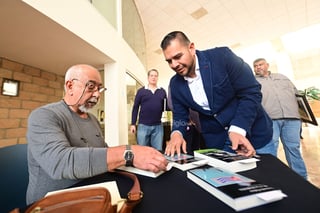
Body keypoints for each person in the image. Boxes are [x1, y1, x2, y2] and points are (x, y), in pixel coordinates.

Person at [26, 64, 168, 204]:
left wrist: (139, 159)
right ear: (70, 86)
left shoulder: (92, 119)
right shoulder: (44, 116)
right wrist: (129, 153)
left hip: (95, 194)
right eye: (91, 87)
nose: (97, 94)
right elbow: (60, 162)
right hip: (52, 204)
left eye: (99, 88)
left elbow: (104, 153)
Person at [160, 31, 275, 158]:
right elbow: (180, 116)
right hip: (219, 145)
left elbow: (251, 92)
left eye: (178, 57)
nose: (174, 64)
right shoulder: (175, 84)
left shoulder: (222, 57)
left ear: (191, 48)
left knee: (268, 177)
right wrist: (177, 133)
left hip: (256, 135)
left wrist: (238, 129)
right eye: (169, 61)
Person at [253, 58, 308, 179]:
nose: (258, 67)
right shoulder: (253, 82)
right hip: (270, 120)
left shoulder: (282, 77)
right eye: (255, 66)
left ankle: (301, 179)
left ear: (267, 65)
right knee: (270, 149)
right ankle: (272, 179)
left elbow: (297, 94)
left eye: (260, 65)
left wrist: (303, 115)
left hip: (291, 119)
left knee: (293, 149)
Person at [130, 69, 168, 151]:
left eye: (155, 76)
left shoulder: (162, 91)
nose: (153, 77)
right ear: (148, 77)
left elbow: (166, 107)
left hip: (158, 126)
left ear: (157, 78)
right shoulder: (141, 91)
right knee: (143, 151)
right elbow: (135, 107)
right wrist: (133, 124)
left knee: (157, 151)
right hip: (143, 126)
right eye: (151, 75)